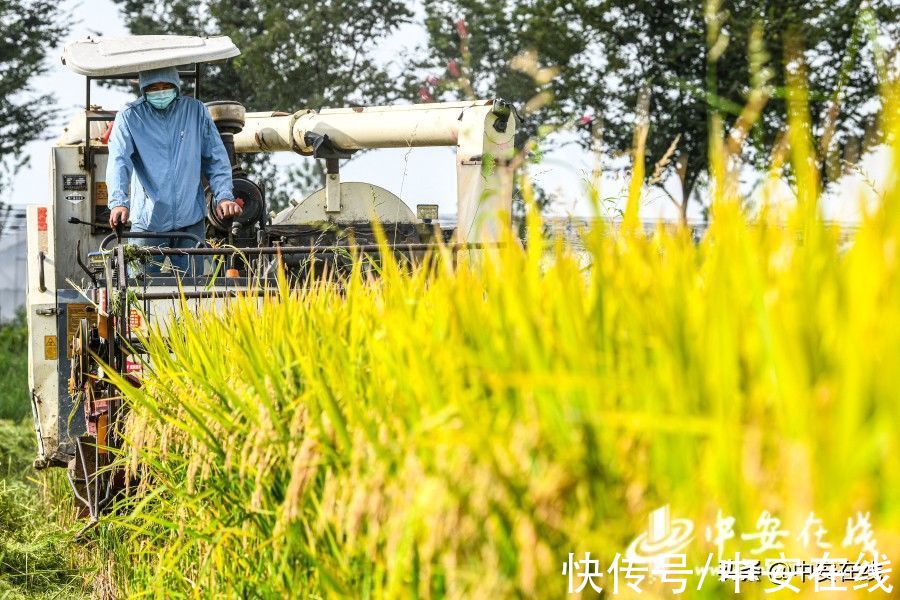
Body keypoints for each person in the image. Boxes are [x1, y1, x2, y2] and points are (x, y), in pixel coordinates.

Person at [106, 66, 242, 276]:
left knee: (194, 294)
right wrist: (118, 203)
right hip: (148, 223)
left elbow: (216, 157)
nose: (161, 92)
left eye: (166, 86)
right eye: (154, 88)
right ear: (144, 89)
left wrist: (224, 196)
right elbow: (118, 161)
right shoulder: (129, 117)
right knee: (141, 292)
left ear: (176, 86)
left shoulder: (195, 111)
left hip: (190, 220)